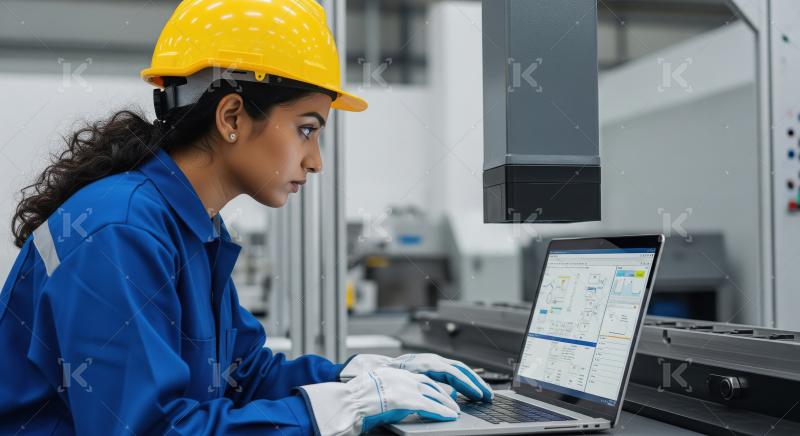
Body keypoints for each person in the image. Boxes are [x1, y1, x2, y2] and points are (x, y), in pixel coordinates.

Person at [0, 1, 492, 435]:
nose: (316, 160)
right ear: (232, 116)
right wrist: (338, 410)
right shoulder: (122, 232)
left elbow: (243, 375)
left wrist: (358, 376)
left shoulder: (190, 226)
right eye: (306, 130)